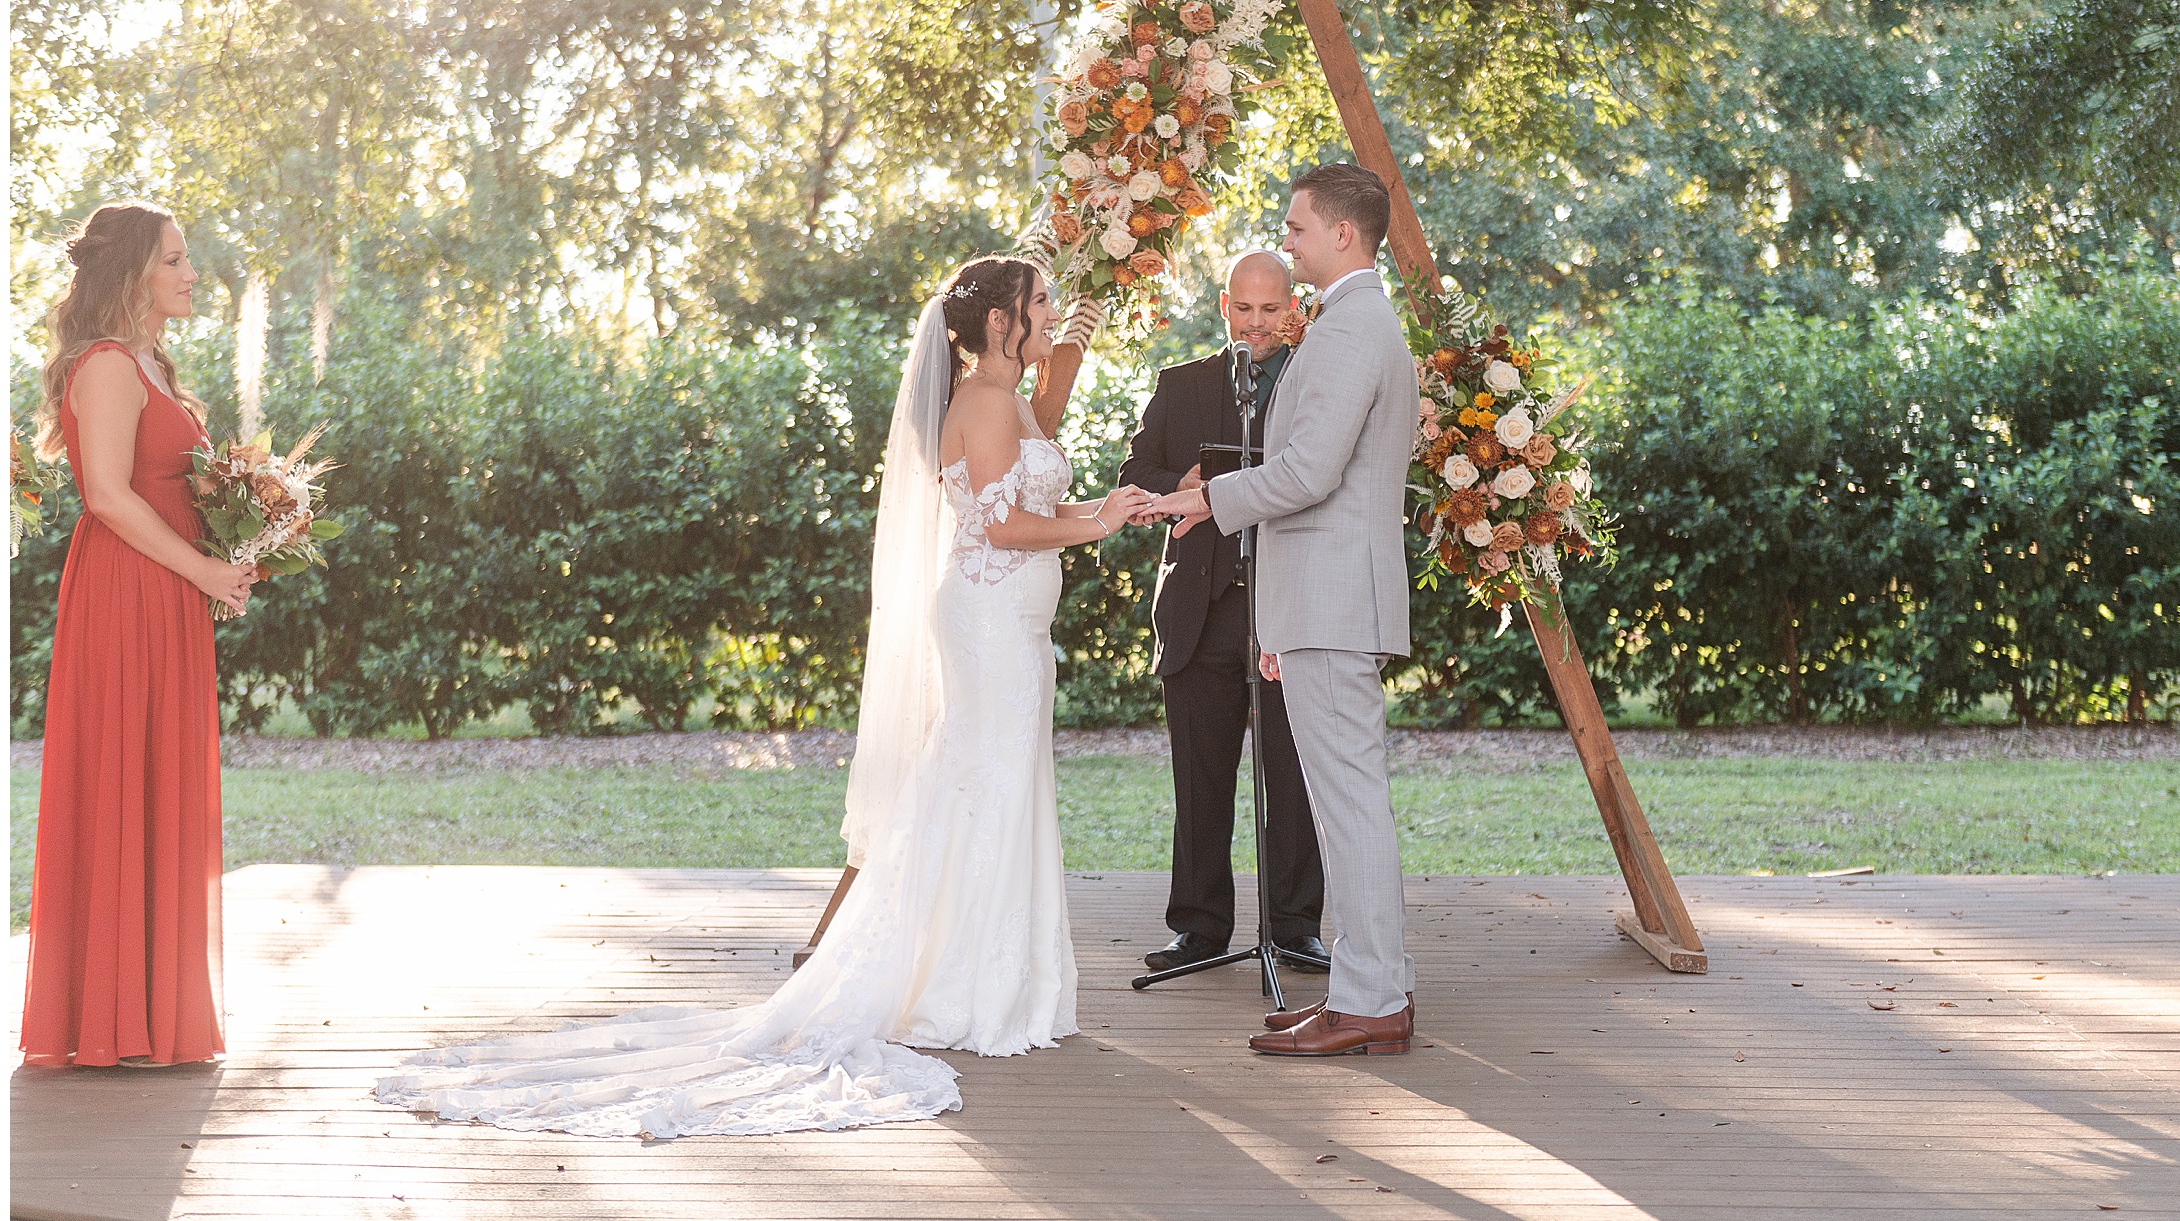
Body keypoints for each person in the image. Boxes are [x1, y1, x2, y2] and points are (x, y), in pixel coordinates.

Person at [372, 257, 1143, 1136]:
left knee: (993, 787)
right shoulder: (982, 400)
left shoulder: (1005, 399)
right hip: (990, 619)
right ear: (1002, 324)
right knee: (986, 786)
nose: (1052, 313)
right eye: (1041, 303)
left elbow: (1026, 481)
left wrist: (1094, 452)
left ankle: (981, 978)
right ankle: (964, 988)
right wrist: (1098, 522)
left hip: (1011, 623)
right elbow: (1002, 525)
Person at [1140, 163, 1420, 1056]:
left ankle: (1372, 1000)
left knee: (1351, 807)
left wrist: (1200, 500)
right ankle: (1367, 986)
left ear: (1343, 234)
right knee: (1348, 805)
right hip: (1322, 602)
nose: (1288, 239)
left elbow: (1306, 475)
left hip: (1334, 601)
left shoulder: (1346, 330)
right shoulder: (1354, 323)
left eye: (1297, 228)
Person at [22, 201, 256, 1070]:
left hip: (169, 594)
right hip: (126, 593)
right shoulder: (111, 365)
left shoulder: (155, 363)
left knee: (163, 775)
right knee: (125, 769)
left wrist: (237, 545)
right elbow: (108, 498)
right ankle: (110, 1014)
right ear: (130, 274)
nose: (191, 274)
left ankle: (155, 1010)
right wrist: (201, 571)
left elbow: (168, 489)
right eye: (175, 259)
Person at [1118, 251, 1328, 975]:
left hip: (1289, 608)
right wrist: (1181, 484)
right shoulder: (1181, 385)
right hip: (1198, 614)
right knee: (1199, 779)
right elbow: (1133, 476)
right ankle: (1200, 929)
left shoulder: (1315, 382)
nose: (1258, 323)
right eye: (1245, 308)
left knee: (1292, 777)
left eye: (1272, 309)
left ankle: (1296, 924)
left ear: (1294, 307)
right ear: (1223, 305)